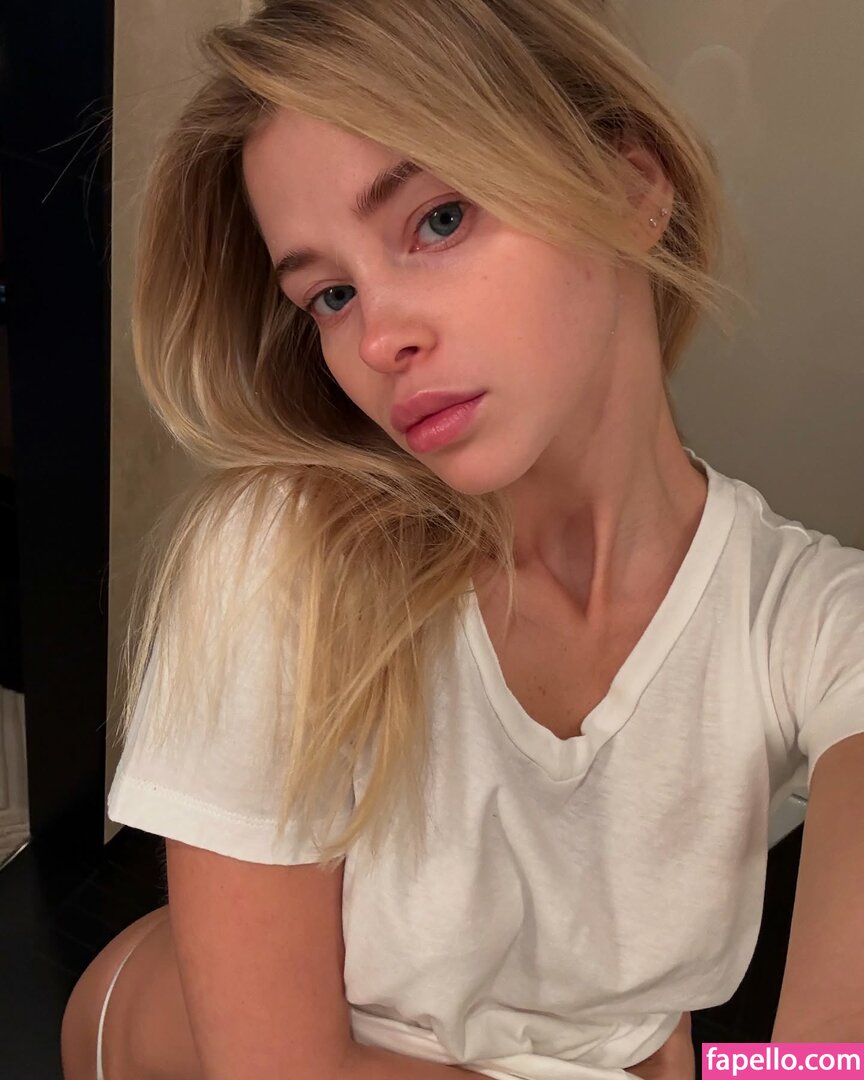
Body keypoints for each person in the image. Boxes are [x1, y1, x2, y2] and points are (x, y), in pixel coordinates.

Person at [60, 1, 864, 1078]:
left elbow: (824, 1065)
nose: (378, 339)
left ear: (633, 188)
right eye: (330, 294)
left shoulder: (807, 620)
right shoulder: (282, 559)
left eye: (438, 220)